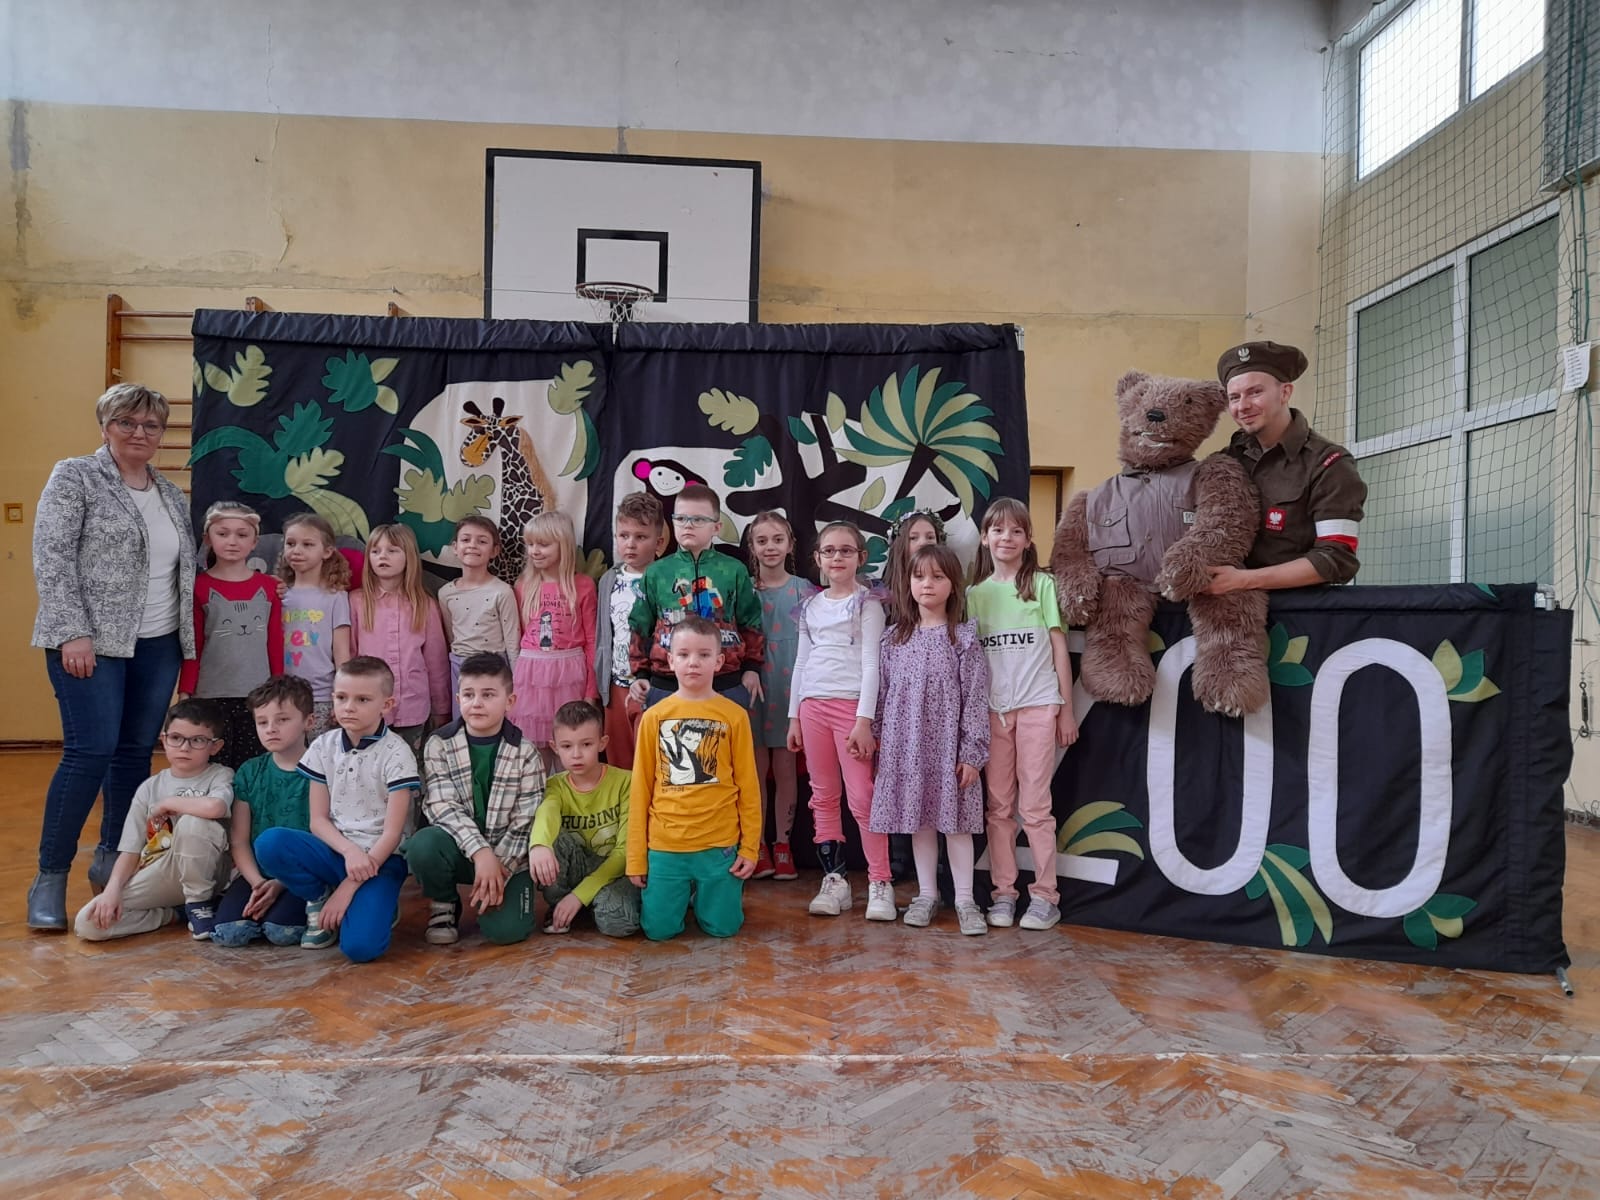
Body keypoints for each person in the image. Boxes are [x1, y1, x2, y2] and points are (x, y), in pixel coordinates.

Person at [29, 383, 198, 930]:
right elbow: (52, 558)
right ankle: (50, 876)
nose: (139, 433)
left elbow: (182, 571)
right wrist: (73, 632)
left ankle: (112, 864)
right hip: (90, 643)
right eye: (127, 422)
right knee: (90, 751)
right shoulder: (75, 476)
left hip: (158, 643)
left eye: (151, 425)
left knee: (133, 755)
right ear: (106, 426)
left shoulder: (170, 493)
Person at [254, 656, 420, 962]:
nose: (348, 707)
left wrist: (350, 886)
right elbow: (318, 821)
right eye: (341, 698)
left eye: (362, 700)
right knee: (270, 843)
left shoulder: (397, 753)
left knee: (360, 948)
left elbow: (393, 834)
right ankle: (318, 897)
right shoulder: (323, 746)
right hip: (336, 853)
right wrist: (349, 852)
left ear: (386, 705)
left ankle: (372, 901)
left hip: (382, 860)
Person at [967, 497, 1077, 932]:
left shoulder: (1042, 586)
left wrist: (1065, 711)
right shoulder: (974, 595)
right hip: (993, 715)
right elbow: (971, 661)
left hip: (1038, 708)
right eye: (998, 530)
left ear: (1029, 540)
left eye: (1016, 531)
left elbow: (1059, 650)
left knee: (1035, 807)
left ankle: (1045, 897)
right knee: (998, 808)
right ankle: (1004, 894)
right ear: (984, 538)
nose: (1006, 538)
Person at [871, 545, 991, 934]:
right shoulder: (893, 640)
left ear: (953, 585)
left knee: (956, 825)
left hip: (949, 750)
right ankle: (926, 894)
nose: (928, 584)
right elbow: (883, 695)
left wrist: (972, 753)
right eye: (920, 576)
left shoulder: (964, 639)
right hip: (906, 748)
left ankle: (965, 900)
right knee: (920, 822)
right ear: (907, 583)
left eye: (938, 577)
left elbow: (975, 699)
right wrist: (878, 739)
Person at [626, 616, 761, 941]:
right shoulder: (654, 717)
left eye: (703, 655)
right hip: (665, 844)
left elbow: (748, 788)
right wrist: (636, 857)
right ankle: (678, 895)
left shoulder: (734, 716)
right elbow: (641, 789)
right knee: (658, 931)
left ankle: (707, 895)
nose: (693, 663)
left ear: (719, 661)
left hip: (719, 845)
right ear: (670, 661)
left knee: (724, 928)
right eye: (684, 654)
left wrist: (749, 848)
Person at [787, 521, 892, 921]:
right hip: (812, 707)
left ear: (860, 557)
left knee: (862, 796)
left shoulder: (868, 604)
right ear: (817, 558)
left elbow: (871, 664)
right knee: (823, 795)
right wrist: (794, 716)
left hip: (851, 709)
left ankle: (880, 881)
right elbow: (801, 662)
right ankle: (835, 880)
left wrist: (864, 720)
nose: (837, 558)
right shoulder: (810, 606)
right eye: (829, 551)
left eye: (846, 551)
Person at [1205, 341, 1368, 594]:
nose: (1243, 406)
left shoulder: (1329, 463)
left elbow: (1336, 557)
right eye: (1234, 397)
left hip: (1298, 610)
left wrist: (1244, 580)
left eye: (1255, 392)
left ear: (1285, 392)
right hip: (1228, 606)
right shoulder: (1226, 461)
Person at [408, 652, 542, 946]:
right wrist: (481, 853)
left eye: (488, 695)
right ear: (458, 699)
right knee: (423, 845)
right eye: (469, 695)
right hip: (462, 850)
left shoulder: (526, 752)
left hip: (509, 858)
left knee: (507, 932)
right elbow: (442, 807)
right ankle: (444, 902)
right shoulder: (439, 744)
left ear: (509, 701)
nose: (477, 703)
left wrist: (498, 867)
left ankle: (496, 892)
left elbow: (527, 820)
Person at [73, 698, 234, 942]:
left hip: (209, 871)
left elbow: (215, 807)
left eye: (198, 740)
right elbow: (130, 850)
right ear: (164, 739)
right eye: (176, 738)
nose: (185, 748)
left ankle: (199, 902)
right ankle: (174, 914)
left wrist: (168, 803)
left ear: (215, 746)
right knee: (89, 921)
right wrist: (112, 889)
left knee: (193, 822)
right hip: (163, 870)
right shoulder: (149, 788)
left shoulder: (221, 775)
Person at [627, 483, 764, 709]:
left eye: (698, 519)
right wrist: (640, 673)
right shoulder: (657, 572)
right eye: (681, 518)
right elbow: (639, 624)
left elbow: (751, 622)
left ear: (716, 527)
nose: (688, 525)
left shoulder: (734, 570)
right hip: (666, 683)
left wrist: (752, 668)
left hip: (725, 681)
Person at [178, 501, 283, 771]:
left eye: (242, 534)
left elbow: (274, 642)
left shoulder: (269, 587)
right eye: (223, 533)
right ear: (207, 538)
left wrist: (278, 689)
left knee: (252, 768)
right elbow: (193, 644)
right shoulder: (198, 587)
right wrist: (186, 691)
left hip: (258, 696)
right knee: (212, 768)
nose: (232, 541)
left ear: (254, 541)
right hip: (210, 695)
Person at [211, 676, 314, 948]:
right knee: (229, 932)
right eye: (262, 722)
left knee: (282, 932)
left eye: (282, 720)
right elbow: (239, 840)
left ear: (308, 722)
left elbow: (323, 835)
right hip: (257, 872)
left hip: (302, 874)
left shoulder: (321, 770)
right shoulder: (250, 771)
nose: (271, 729)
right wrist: (257, 883)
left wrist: (280, 883)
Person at [529, 700, 641, 936]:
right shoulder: (555, 786)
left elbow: (624, 852)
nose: (576, 754)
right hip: (577, 867)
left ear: (602, 743)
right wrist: (539, 845)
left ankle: (584, 903)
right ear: (555, 747)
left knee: (618, 923)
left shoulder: (626, 782)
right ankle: (561, 904)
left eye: (586, 744)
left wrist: (579, 896)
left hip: (614, 873)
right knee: (550, 839)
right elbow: (547, 812)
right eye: (567, 746)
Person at [746, 510, 814, 881]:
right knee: (755, 769)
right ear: (752, 547)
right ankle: (756, 845)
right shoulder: (744, 588)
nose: (770, 547)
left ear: (790, 545)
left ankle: (783, 844)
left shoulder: (804, 590)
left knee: (786, 768)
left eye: (777, 539)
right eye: (762, 541)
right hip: (754, 686)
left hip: (792, 685)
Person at [352, 523, 451, 759]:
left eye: (392, 550)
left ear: (409, 557)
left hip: (412, 708)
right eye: (376, 551)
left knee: (408, 769)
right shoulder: (356, 602)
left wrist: (442, 708)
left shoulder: (425, 605)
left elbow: (436, 662)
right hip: (368, 710)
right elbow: (349, 656)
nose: (382, 556)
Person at [511, 511, 598, 768]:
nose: (534, 551)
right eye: (530, 544)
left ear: (564, 545)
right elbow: (519, 635)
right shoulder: (523, 585)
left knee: (570, 746)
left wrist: (590, 691)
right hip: (532, 677)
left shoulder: (583, 585)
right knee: (536, 754)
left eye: (543, 544)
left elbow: (592, 640)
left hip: (569, 675)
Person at [594, 492, 665, 771]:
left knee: (652, 764)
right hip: (616, 685)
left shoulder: (665, 579)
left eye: (640, 536)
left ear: (658, 542)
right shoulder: (608, 580)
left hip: (652, 687)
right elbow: (603, 635)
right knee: (619, 764)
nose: (630, 544)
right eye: (624, 536)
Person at [278, 512, 353, 737]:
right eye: (291, 543)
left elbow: (341, 652)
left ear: (327, 552)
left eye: (308, 544)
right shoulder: (277, 594)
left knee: (319, 755)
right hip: (281, 695)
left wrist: (342, 696)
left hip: (321, 696)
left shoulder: (336, 597)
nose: (297, 550)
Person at [437, 515, 521, 718]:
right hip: (460, 668)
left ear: (494, 551)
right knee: (464, 723)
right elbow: (451, 636)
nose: (472, 545)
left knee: (493, 722)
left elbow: (512, 643)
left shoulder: (502, 592)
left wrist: (517, 683)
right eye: (466, 540)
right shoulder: (445, 593)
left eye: (482, 541)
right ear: (455, 547)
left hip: (494, 669)